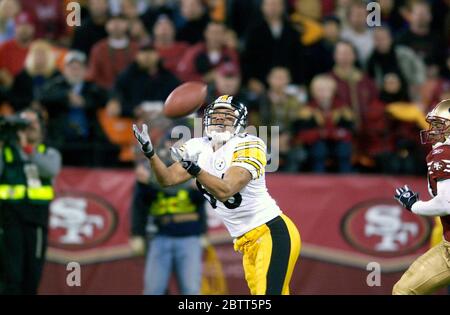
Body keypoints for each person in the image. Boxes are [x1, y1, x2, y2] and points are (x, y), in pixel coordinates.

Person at [133, 95, 301, 295]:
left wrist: (195, 170)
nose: (220, 120)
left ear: (240, 123)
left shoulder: (250, 145)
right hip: (246, 242)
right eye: (216, 115)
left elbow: (226, 189)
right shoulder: (197, 146)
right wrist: (151, 154)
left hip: (270, 232)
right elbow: (167, 179)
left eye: (228, 117)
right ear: (206, 119)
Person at [131, 129, 206, 295]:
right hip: (160, 235)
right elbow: (139, 204)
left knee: (191, 290)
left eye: (179, 143)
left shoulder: (195, 167)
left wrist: (202, 231)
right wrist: (137, 233)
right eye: (170, 142)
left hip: (189, 235)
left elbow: (204, 203)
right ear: (164, 144)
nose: (174, 146)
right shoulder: (152, 169)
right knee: (153, 290)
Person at [0, 108, 62, 294]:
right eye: (23, 123)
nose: (28, 127)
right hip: (7, 221)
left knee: (31, 277)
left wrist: (27, 148)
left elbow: (50, 170)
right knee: (10, 277)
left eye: (32, 123)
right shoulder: (6, 152)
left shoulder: (48, 152)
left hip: (36, 223)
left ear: (41, 127)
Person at [393, 98, 450, 294]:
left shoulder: (444, 153)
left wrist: (414, 205)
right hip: (447, 247)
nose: (433, 130)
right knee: (403, 290)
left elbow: (446, 203)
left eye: (439, 125)